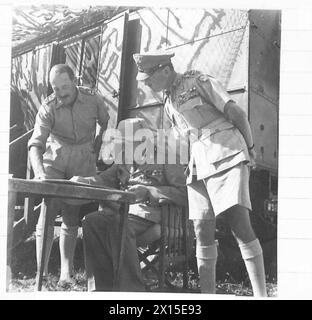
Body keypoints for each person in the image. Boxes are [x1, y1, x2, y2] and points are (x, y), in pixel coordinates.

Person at [133, 52, 267, 297]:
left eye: (148, 77)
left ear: (164, 70)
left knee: (239, 225)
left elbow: (236, 114)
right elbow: (181, 140)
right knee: (202, 231)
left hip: (225, 153)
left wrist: (249, 149)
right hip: (198, 166)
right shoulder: (168, 101)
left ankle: (261, 295)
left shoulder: (198, 81)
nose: (146, 83)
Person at [70, 118, 187, 291]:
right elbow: (103, 179)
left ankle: (131, 289)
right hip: (126, 213)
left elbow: (184, 193)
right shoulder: (125, 158)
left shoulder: (167, 157)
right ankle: (100, 288)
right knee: (91, 221)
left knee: (118, 224)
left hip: (156, 215)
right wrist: (83, 181)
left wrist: (150, 192)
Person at [28, 64, 110, 286]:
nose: (61, 92)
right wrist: (39, 173)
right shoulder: (48, 106)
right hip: (55, 157)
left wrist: (96, 145)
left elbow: (105, 122)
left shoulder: (93, 99)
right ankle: (41, 275)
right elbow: (35, 144)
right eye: (55, 88)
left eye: (65, 86)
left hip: (83, 157)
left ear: (75, 80)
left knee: (72, 214)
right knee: (48, 211)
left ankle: (66, 273)